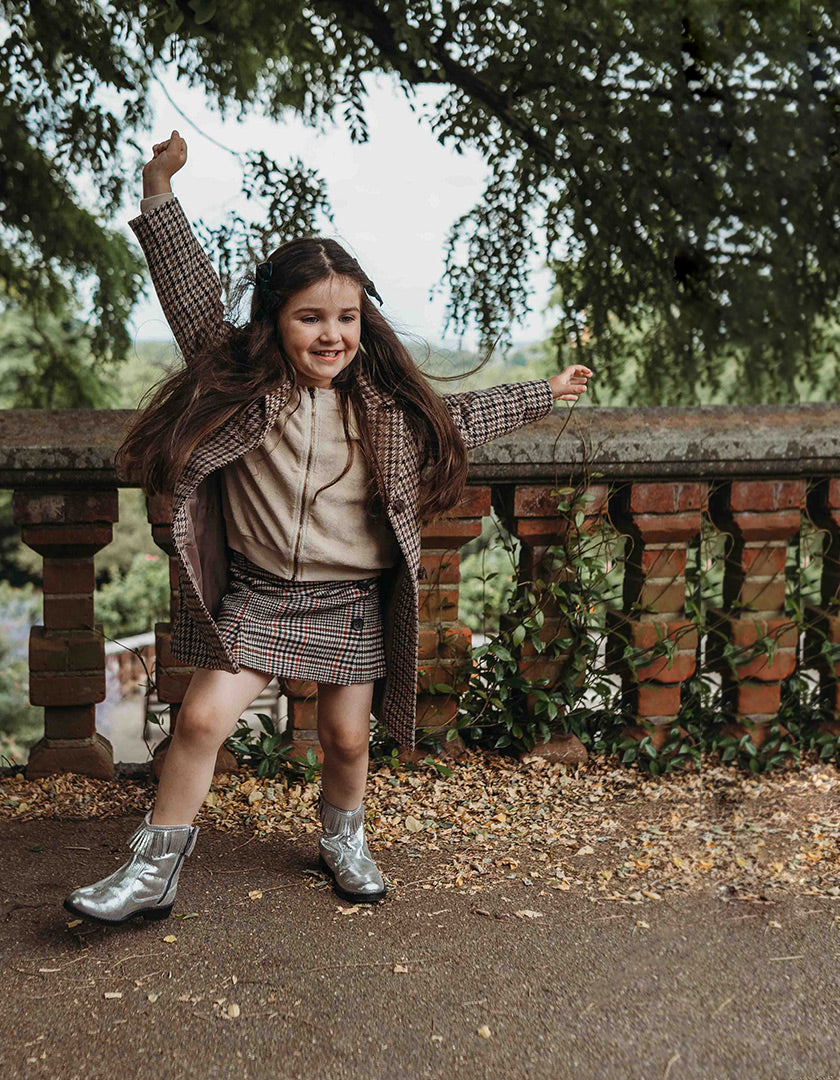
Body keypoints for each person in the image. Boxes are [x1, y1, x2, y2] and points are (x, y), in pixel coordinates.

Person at [64, 130, 592, 925]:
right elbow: (187, 296)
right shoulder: (240, 384)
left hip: (349, 602)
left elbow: (463, 417)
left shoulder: (379, 408)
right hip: (258, 594)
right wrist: (159, 191)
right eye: (310, 318)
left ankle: (344, 840)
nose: (331, 335)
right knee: (203, 718)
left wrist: (544, 392)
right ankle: (152, 872)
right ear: (276, 320)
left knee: (347, 741)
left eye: (346, 318)